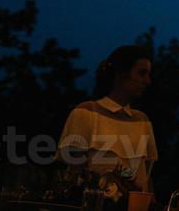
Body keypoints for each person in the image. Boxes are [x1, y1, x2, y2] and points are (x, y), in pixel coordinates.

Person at [59, 45, 160, 198]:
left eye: (148, 74)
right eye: (141, 73)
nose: (147, 81)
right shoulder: (87, 112)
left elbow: (145, 179)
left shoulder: (142, 120)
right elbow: (73, 175)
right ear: (120, 73)